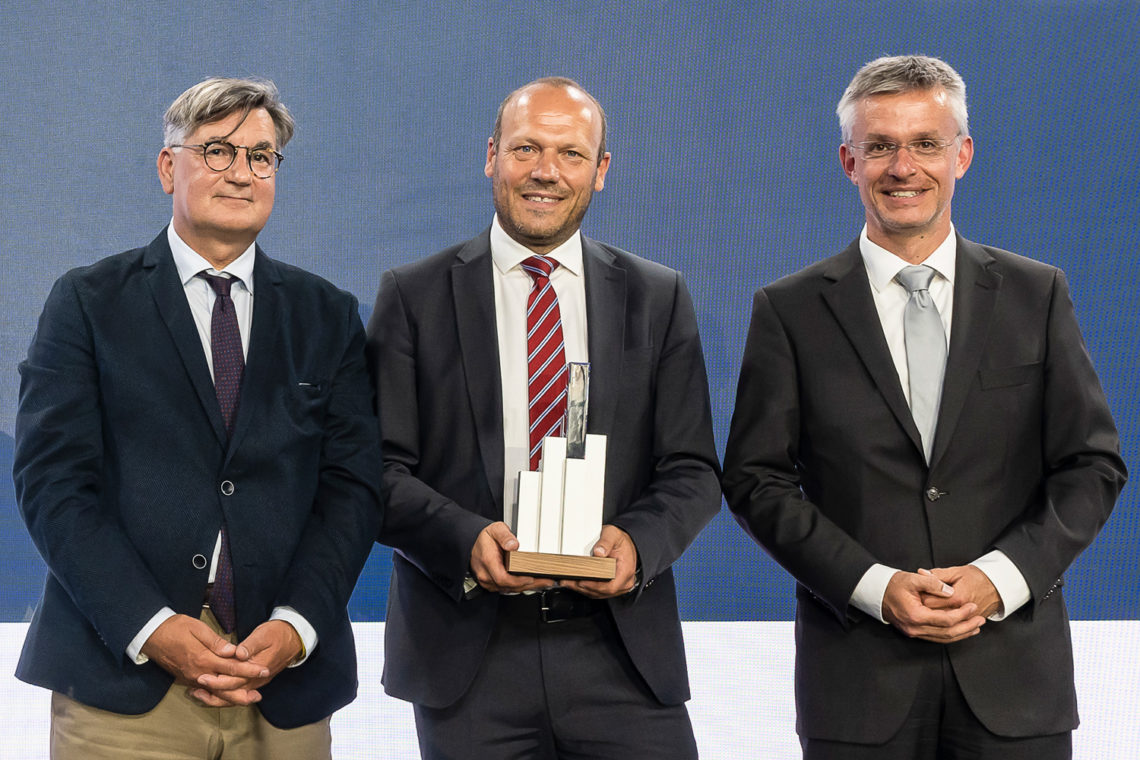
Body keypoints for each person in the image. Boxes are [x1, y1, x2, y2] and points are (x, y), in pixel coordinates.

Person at [722, 55, 1127, 758]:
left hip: (1015, 684)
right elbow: (756, 480)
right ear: (849, 161)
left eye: (925, 144)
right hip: (857, 686)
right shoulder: (789, 311)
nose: (902, 167)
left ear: (961, 155)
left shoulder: (1036, 295)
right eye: (880, 146)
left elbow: (1091, 466)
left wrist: (999, 579)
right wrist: (873, 587)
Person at [13, 77, 382, 759]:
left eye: (261, 157)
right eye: (217, 150)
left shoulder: (327, 315)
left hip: (282, 684)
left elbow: (352, 489)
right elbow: (54, 485)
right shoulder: (88, 303)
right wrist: (149, 626)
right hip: (123, 683)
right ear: (167, 168)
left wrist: (297, 626)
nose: (241, 173)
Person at [366, 76, 720, 759]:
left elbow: (693, 469)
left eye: (570, 153)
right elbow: (375, 472)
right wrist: (465, 539)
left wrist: (638, 545)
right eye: (527, 148)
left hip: (621, 651)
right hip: (468, 657)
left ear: (601, 170)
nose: (546, 172)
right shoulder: (413, 296)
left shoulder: (657, 296)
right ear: (492, 156)